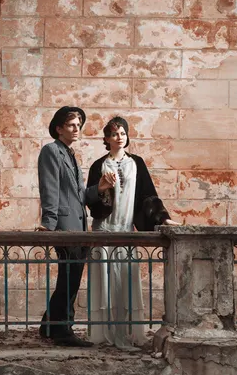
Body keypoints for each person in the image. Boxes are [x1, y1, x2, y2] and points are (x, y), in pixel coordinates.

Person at [85, 116, 180, 351]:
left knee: (126, 282)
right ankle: (103, 333)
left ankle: (128, 332)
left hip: (126, 231)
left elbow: (148, 195)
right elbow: (90, 201)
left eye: (123, 133)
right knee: (105, 283)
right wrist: (102, 189)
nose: (120, 137)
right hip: (103, 230)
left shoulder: (136, 163)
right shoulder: (98, 165)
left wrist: (163, 218)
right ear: (106, 138)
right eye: (115, 134)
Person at [36, 106, 94, 347]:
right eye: (72, 125)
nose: (77, 129)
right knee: (69, 278)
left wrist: (98, 190)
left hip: (78, 225)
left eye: (79, 125)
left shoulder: (69, 154)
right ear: (58, 128)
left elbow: (79, 194)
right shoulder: (51, 151)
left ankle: (49, 324)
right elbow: (49, 190)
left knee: (70, 277)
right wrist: (48, 225)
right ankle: (63, 330)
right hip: (64, 225)